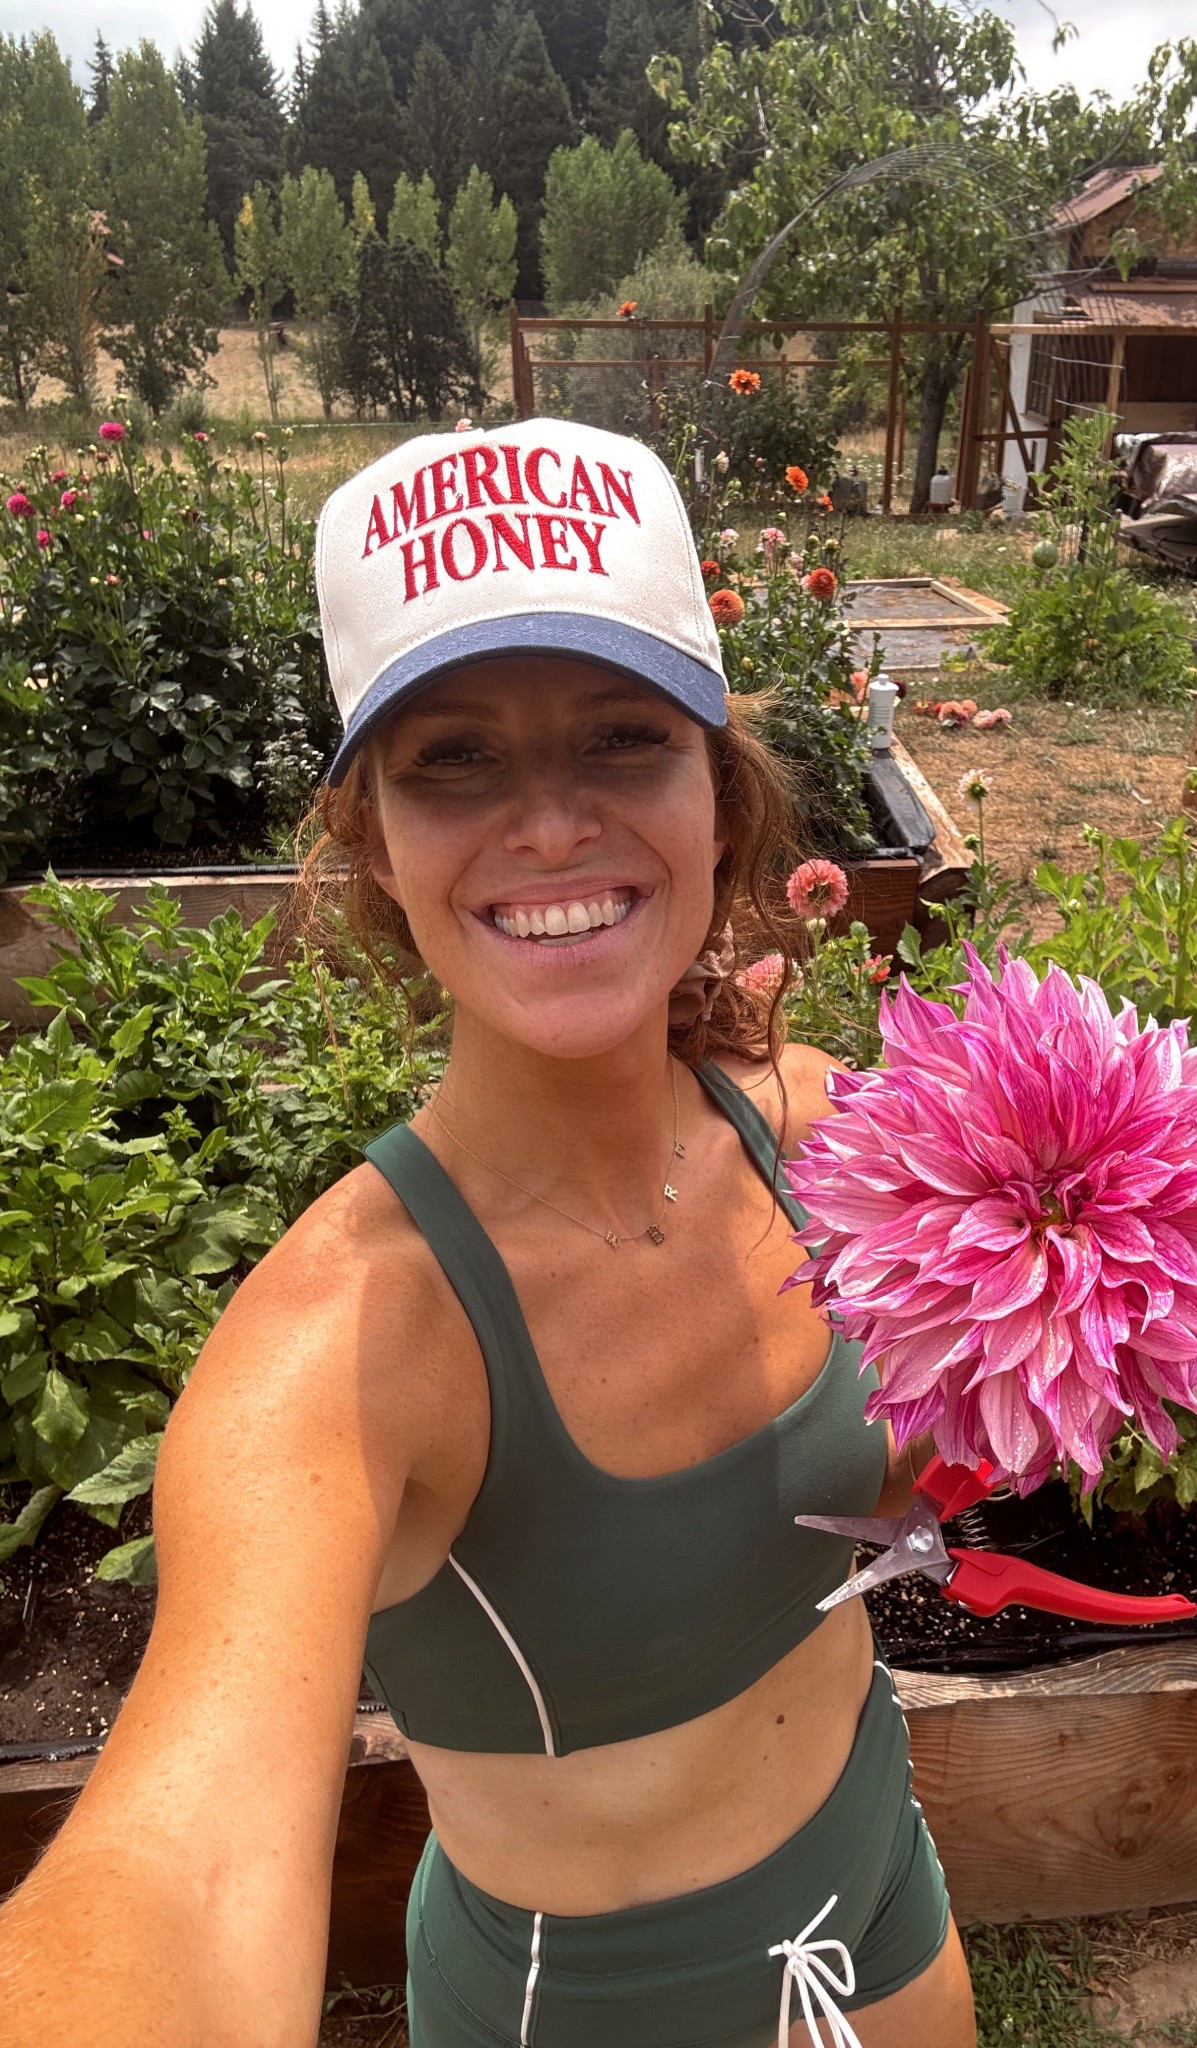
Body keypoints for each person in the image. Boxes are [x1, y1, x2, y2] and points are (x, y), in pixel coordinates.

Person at [0, 421, 974, 2048]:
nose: (546, 823)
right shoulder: (339, 1353)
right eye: (452, 756)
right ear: (371, 837)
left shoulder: (803, 1116)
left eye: (619, 738)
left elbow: (840, 1520)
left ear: (717, 794)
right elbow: (177, 1863)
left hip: (877, 1861)